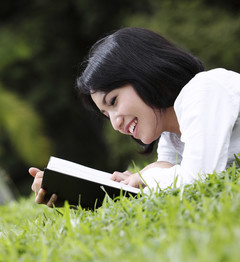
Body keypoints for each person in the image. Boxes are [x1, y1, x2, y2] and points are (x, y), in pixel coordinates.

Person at [29, 27, 240, 206]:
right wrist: (78, 193)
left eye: (113, 101)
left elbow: (197, 178)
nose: (115, 123)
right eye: (106, 114)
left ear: (145, 72)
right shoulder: (170, 132)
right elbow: (170, 176)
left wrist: (146, 177)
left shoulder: (204, 90)